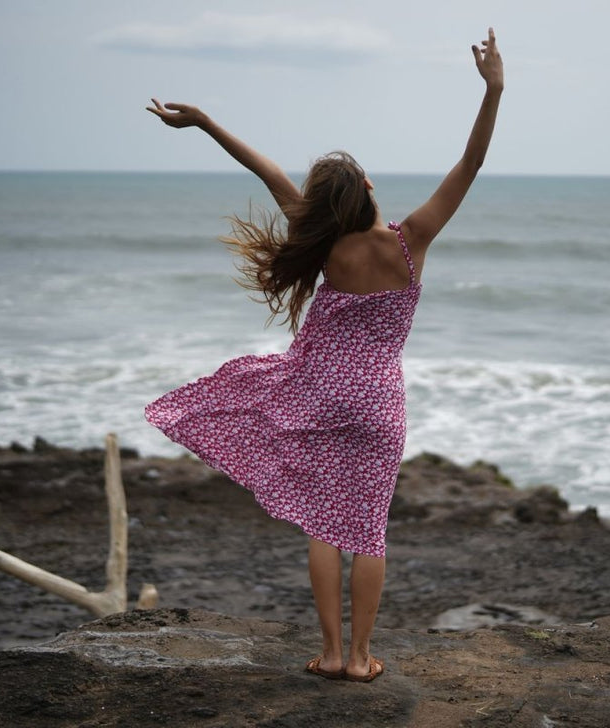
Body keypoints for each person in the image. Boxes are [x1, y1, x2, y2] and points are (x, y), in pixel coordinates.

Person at [145, 28, 503, 683]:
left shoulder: (327, 243)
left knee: (322, 523)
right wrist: (494, 90)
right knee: (368, 529)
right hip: (379, 403)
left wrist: (204, 124)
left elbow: (266, 172)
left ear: (327, 204)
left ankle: (331, 653)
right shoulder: (409, 241)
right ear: (366, 188)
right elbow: (470, 165)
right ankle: (362, 659)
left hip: (319, 391)